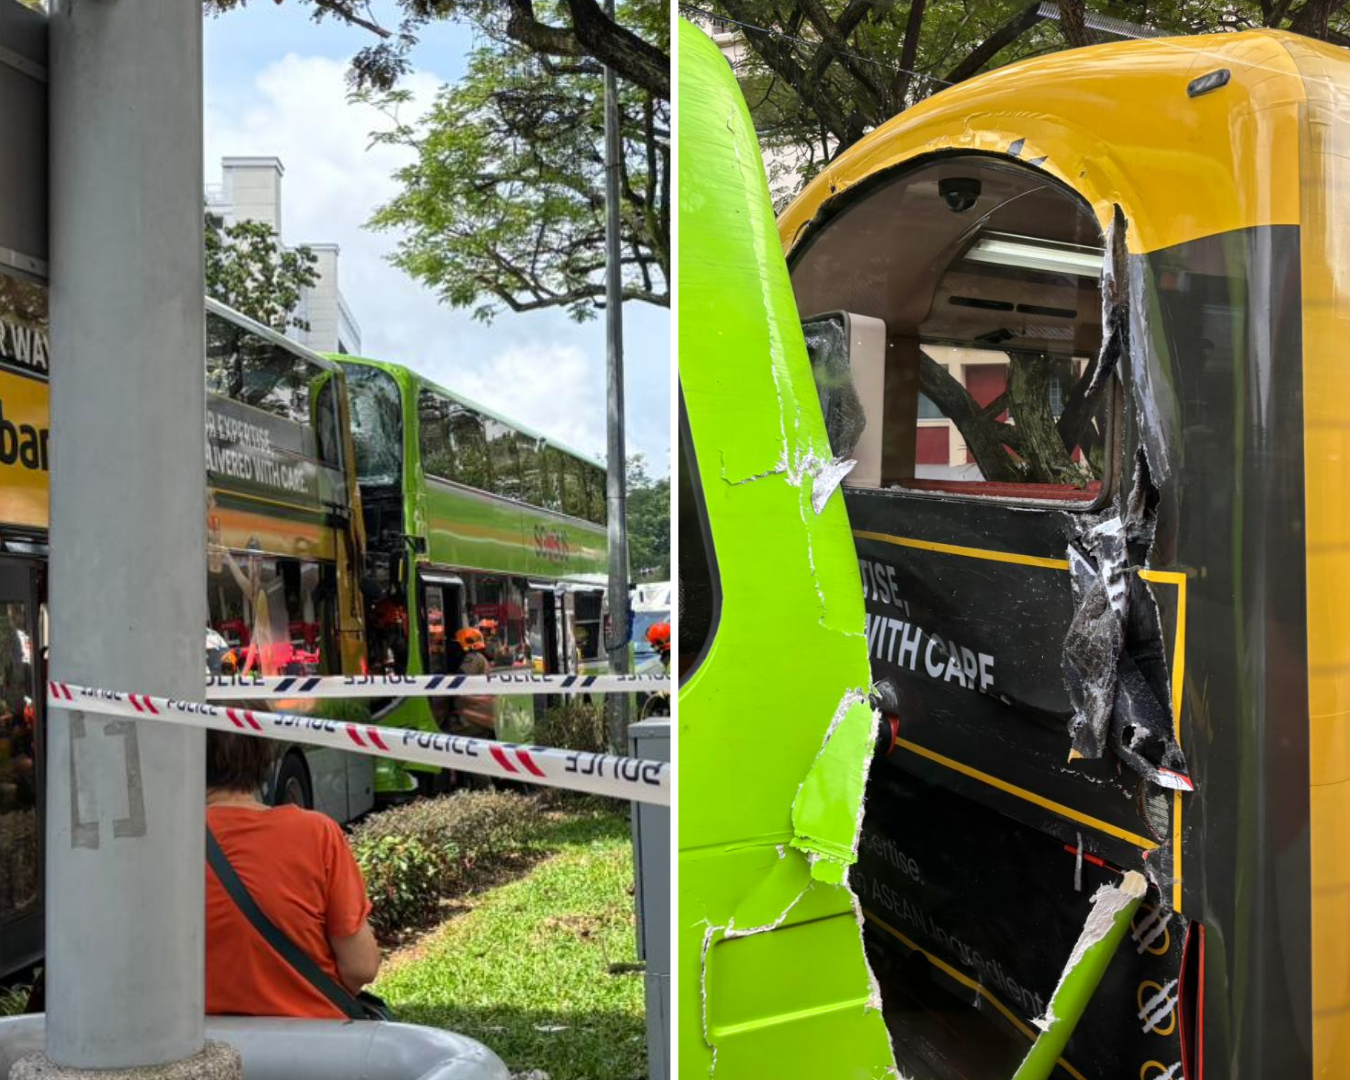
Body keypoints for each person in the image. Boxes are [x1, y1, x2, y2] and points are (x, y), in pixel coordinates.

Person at [205, 731, 380, 1017]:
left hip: (207, 1050)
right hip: (315, 1043)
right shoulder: (317, 833)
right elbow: (360, 968)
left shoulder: (163, 844)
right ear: (264, 752)